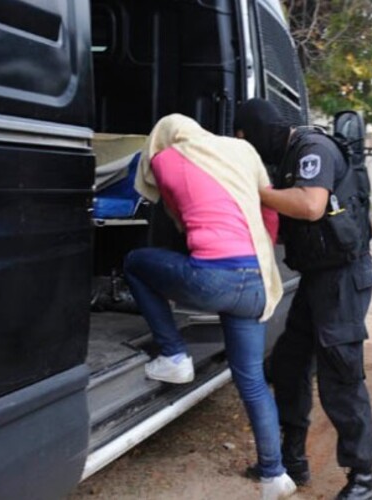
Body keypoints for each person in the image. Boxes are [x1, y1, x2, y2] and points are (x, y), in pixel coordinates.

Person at [124, 114, 296, 499]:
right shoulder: (243, 149)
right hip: (256, 282)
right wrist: (259, 253)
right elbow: (268, 210)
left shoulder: (167, 157)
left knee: (136, 262)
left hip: (212, 278)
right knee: (251, 380)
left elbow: (173, 212)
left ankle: (174, 355)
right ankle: (274, 475)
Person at [234, 99, 372, 500]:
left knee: (341, 377)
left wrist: (259, 193)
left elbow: (311, 206)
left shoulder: (311, 149)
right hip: (318, 278)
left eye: (247, 138)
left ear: (262, 130)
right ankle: (293, 459)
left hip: (342, 280)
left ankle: (364, 480)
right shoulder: (286, 157)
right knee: (289, 364)